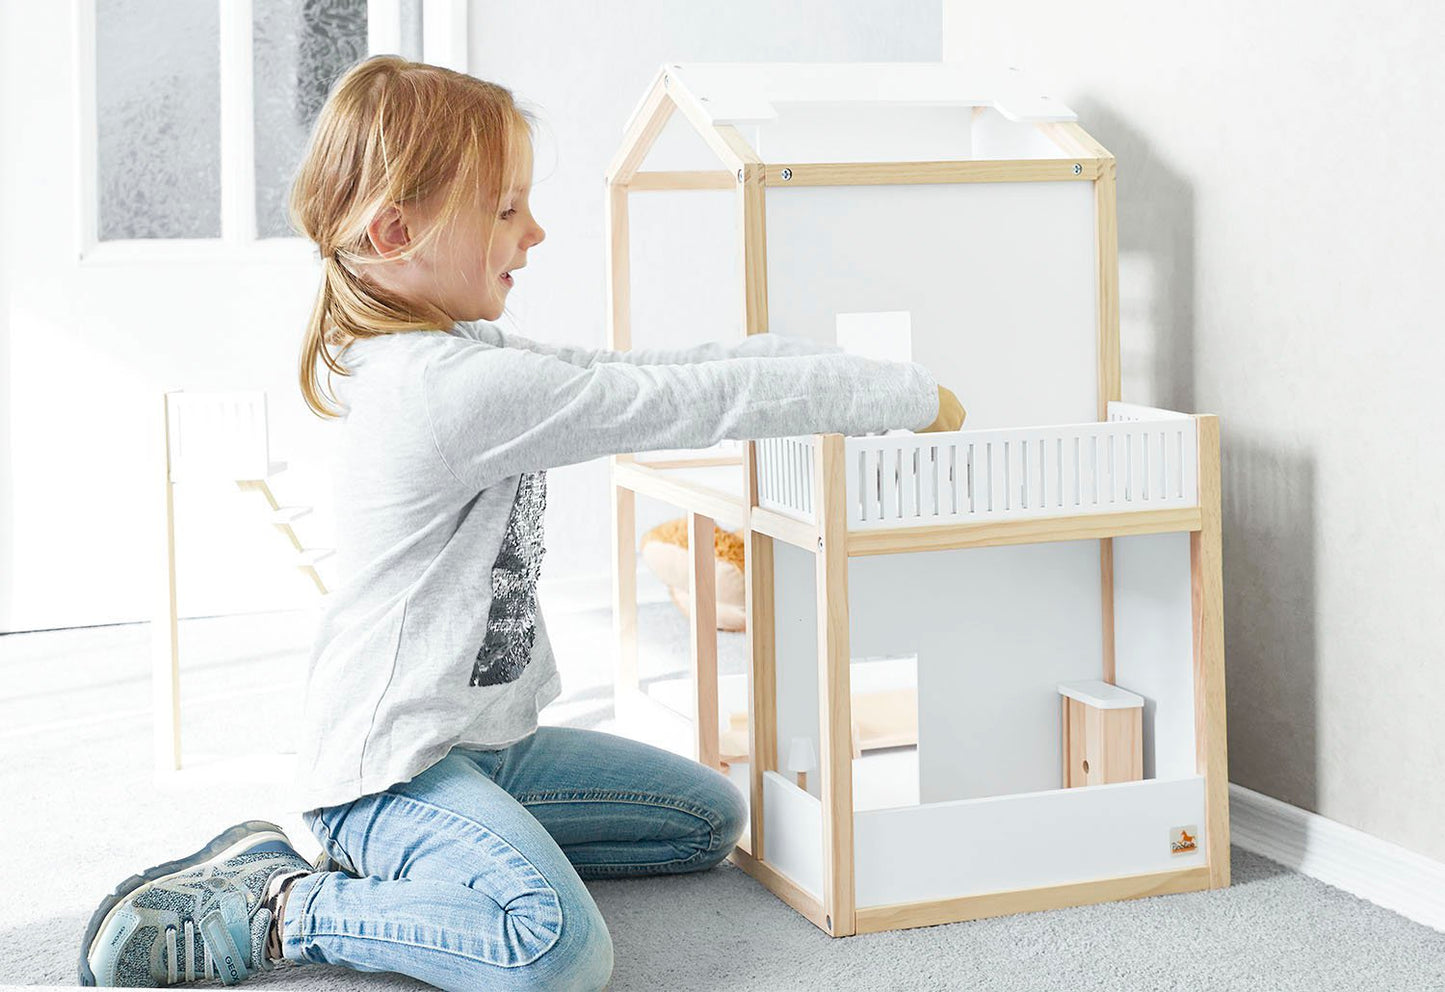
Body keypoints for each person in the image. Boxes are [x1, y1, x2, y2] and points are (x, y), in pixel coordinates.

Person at [78, 55, 965, 990]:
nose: (534, 233)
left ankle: (433, 864)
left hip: (488, 752)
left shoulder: (464, 352)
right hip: (388, 774)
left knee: (707, 820)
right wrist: (898, 392)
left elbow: (664, 369)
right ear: (396, 229)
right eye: (506, 210)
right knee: (553, 952)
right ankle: (281, 907)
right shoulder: (447, 391)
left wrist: (843, 369)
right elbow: (692, 401)